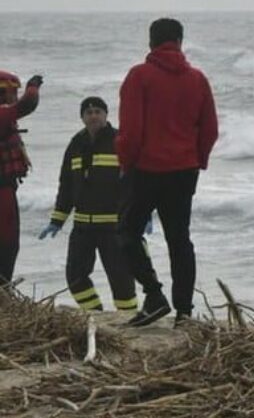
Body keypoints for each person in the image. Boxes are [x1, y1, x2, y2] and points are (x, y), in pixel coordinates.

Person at [116, 18, 219, 327]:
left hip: (147, 169)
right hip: (184, 170)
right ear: (180, 41)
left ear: (151, 42)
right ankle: (185, 312)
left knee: (127, 233)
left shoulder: (139, 76)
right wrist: (197, 160)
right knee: (179, 240)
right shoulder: (197, 79)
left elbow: (131, 131)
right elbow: (210, 130)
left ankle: (154, 295)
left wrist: (126, 163)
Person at [38, 97, 136, 311]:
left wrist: (142, 213)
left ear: (106, 115)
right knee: (75, 277)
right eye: (88, 112)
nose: (93, 116)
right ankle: (95, 313)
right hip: (83, 227)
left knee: (121, 277)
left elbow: (136, 181)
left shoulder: (120, 140)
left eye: (98, 111)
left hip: (115, 226)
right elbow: (66, 185)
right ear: (82, 117)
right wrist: (57, 220)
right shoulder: (75, 144)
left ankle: (128, 318)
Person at [0, 72, 42, 284]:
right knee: (7, 243)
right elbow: (27, 105)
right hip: (2, 191)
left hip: (7, 188)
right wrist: (33, 86)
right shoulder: (2, 115)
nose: (13, 97)